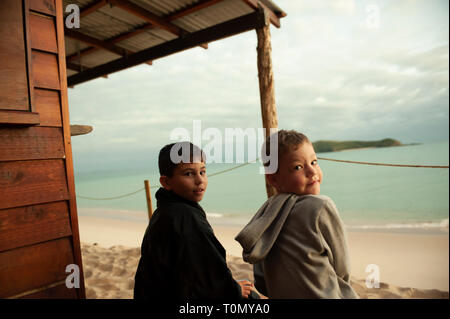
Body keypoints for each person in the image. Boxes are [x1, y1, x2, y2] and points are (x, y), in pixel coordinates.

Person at [235, 130, 358, 299]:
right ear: (274, 179)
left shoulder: (266, 213)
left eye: (314, 162)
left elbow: (261, 280)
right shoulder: (321, 206)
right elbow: (342, 268)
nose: (312, 171)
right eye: (298, 167)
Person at [134, 141, 255, 299]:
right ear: (166, 182)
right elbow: (206, 280)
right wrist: (234, 289)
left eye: (202, 172)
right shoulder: (185, 218)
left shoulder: (165, 211)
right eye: (188, 174)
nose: (199, 180)